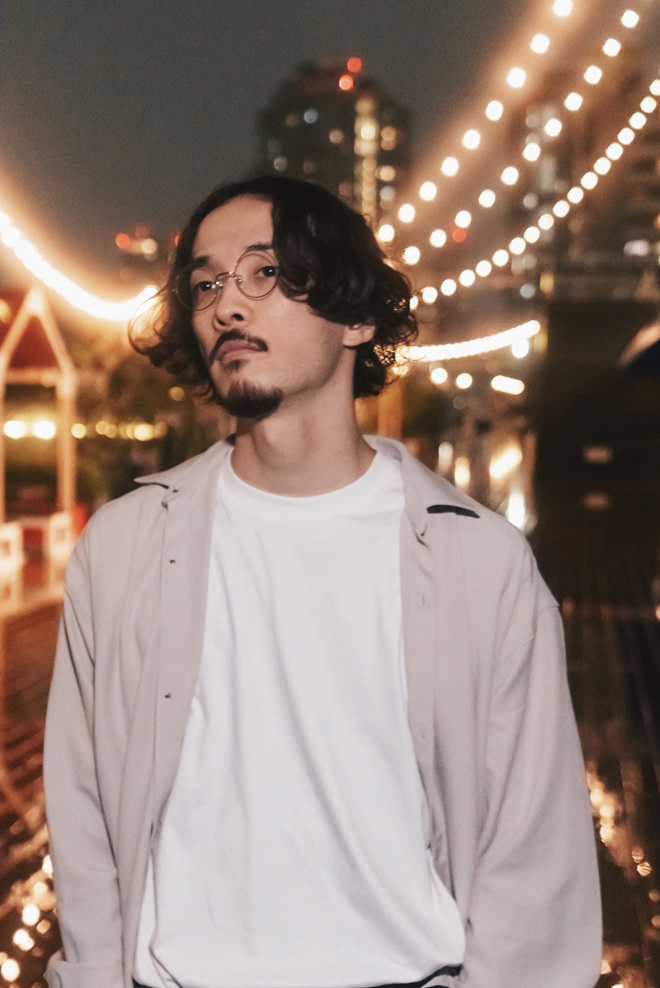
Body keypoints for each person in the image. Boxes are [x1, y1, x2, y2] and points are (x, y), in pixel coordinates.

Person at [44, 175, 601, 988]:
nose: (227, 306)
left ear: (357, 317)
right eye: (207, 284)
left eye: (264, 272)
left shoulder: (479, 562)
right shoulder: (125, 546)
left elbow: (533, 848)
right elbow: (82, 807)